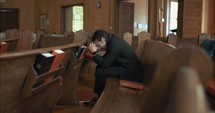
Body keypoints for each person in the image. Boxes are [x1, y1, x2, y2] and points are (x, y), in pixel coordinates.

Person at [83, 30, 143, 106]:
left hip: (131, 72)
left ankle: (101, 98)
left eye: (96, 44)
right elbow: (105, 60)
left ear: (102, 39)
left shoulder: (115, 44)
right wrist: (96, 52)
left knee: (100, 72)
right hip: (125, 67)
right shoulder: (112, 41)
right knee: (99, 69)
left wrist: (94, 53)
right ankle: (99, 97)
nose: (97, 46)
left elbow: (105, 63)